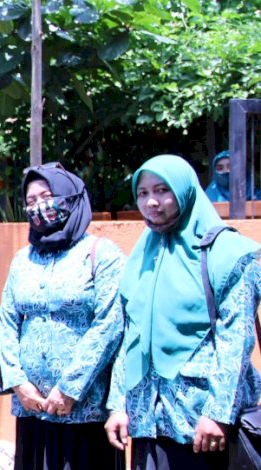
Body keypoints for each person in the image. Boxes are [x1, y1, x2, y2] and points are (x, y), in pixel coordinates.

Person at [105, 154, 261, 469]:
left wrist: (217, 414)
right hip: (150, 419)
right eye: (143, 193)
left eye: (162, 190)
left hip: (203, 427)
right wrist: (118, 405)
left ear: (185, 190)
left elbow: (236, 340)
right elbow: (131, 335)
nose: (151, 202)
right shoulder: (143, 253)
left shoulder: (229, 254)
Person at [0, 163, 125, 470]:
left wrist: (69, 388)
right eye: (31, 202)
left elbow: (109, 324)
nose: (39, 207)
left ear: (70, 198)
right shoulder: (22, 260)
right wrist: (18, 383)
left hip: (84, 409)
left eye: (47, 196)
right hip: (32, 407)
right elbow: (9, 323)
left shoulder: (102, 254)